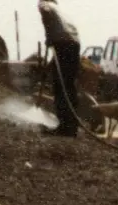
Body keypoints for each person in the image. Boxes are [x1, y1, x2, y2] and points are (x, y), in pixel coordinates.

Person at [38, 0, 81, 136]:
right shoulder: (59, 10)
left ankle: (64, 127)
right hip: (74, 43)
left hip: (62, 43)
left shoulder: (45, 5)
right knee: (68, 85)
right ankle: (71, 127)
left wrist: (48, 36)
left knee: (60, 86)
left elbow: (45, 10)